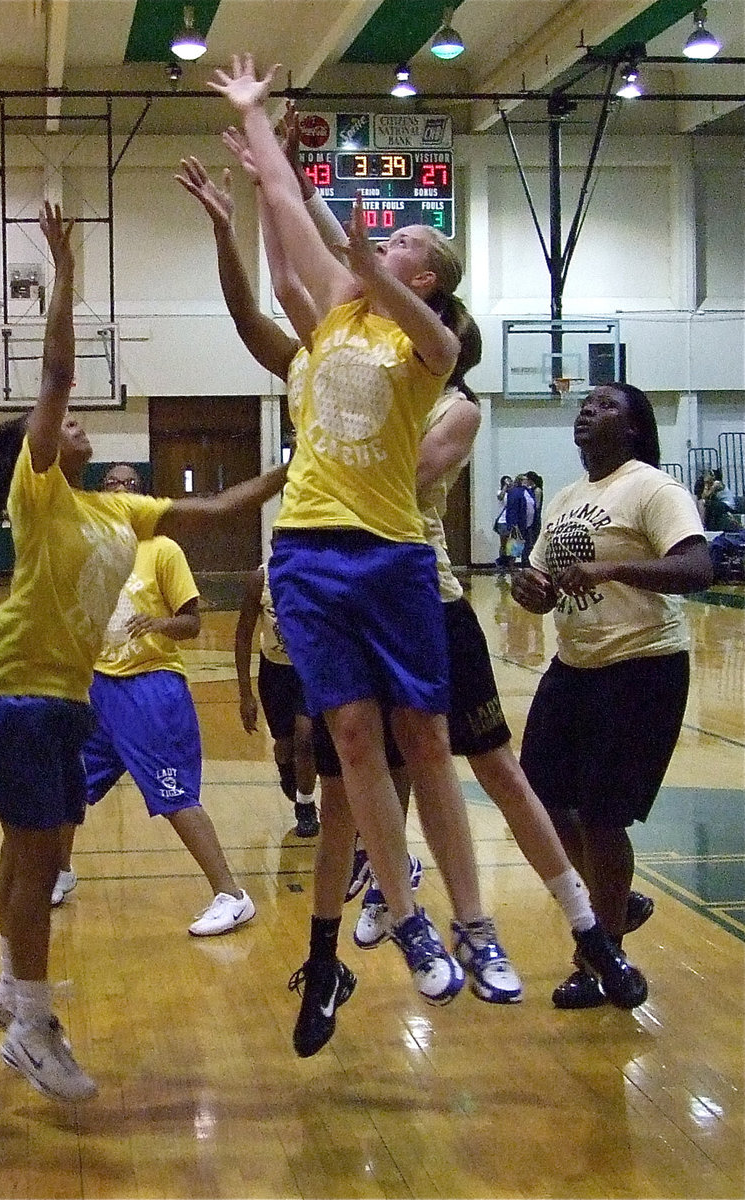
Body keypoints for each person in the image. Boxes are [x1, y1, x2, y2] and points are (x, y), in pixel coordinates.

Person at [208, 58, 518, 1054]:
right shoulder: (324, 324)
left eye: (400, 245)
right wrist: (259, 130)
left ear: (422, 277)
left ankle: (475, 923)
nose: (380, 245)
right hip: (306, 552)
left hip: (387, 554)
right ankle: (409, 914)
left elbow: (346, 250)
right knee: (346, 741)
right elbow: (287, 232)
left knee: (422, 739)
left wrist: (319, 200)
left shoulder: (426, 347)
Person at [0, 202, 287, 1101]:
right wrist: (63, 267)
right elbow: (59, 369)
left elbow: (221, 510)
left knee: (26, 858)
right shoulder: (40, 493)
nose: (69, 422)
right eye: (57, 422)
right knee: (37, 862)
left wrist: (307, 463)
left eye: (66, 422)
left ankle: (6, 985)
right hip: (24, 688)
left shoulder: (121, 510)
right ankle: (30, 1022)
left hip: (59, 698)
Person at [343, 346, 648, 1010]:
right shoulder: (361, 387)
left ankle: (591, 931)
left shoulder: (454, 408)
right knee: (375, 761)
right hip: (364, 597)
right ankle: (383, 894)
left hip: (433, 598)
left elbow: (395, 478)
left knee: (497, 771)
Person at [511, 382, 713, 1008]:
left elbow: (698, 569)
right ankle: (615, 899)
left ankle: (599, 959)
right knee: (541, 805)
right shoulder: (568, 499)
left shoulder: (653, 487)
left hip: (641, 668)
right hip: (574, 666)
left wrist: (611, 568)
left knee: (601, 817)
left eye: (604, 406)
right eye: (584, 405)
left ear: (632, 430)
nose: (587, 411)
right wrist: (532, 587)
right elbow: (544, 573)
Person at [46, 462, 257, 934]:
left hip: (151, 686)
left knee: (172, 791)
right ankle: (60, 871)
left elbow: (193, 623)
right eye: (112, 484)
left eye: (131, 485)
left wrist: (160, 624)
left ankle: (231, 893)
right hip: (100, 687)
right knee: (69, 782)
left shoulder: (163, 550)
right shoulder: (90, 550)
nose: (121, 490)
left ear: (143, 497)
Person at [235, 562, 320, 839]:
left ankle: (306, 807)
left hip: (308, 669)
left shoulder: (314, 574)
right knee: (284, 745)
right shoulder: (261, 579)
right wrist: (245, 693)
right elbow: (243, 635)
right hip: (274, 671)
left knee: (306, 739)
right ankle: (287, 771)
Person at [504, 474, 536, 565]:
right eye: (525, 479)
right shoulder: (514, 492)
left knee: (528, 546)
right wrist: (512, 523)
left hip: (529, 524)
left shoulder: (529, 491)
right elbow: (512, 509)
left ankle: (526, 564)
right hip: (518, 524)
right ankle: (511, 566)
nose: (527, 481)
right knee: (514, 547)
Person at [494, 474, 514, 568]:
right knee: (503, 543)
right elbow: (500, 497)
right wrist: (505, 487)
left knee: (512, 543)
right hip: (503, 520)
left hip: (512, 520)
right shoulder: (500, 492)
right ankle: (502, 561)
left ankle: (510, 563)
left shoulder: (513, 493)